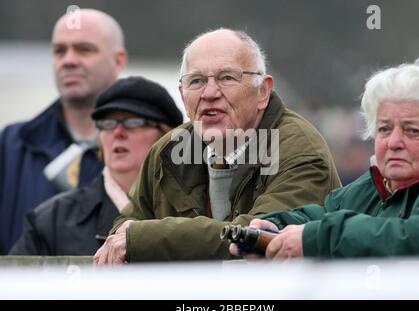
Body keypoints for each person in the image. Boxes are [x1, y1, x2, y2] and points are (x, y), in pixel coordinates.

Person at [94, 28, 341, 264]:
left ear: (263, 91)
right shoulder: (167, 151)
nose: (209, 93)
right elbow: (127, 225)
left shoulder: (300, 150)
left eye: (227, 77)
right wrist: (128, 238)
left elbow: (258, 238)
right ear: (182, 95)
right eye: (196, 81)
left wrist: (143, 239)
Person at [230, 56, 419, 259]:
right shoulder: (377, 185)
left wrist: (315, 238)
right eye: (384, 129)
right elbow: (325, 213)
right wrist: (272, 227)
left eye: (413, 131)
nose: (393, 142)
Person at [0, 9, 128, 254]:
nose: (68, 60)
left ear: (118, 60)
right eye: (60, 50)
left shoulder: (153, 147)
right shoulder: (11, 146)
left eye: (84, 49)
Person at [9, 76, 183, 255]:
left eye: (133, 122)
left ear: (167, 136)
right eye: (107, 123)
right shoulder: (50, 221)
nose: (118, 132)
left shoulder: (198, 209)